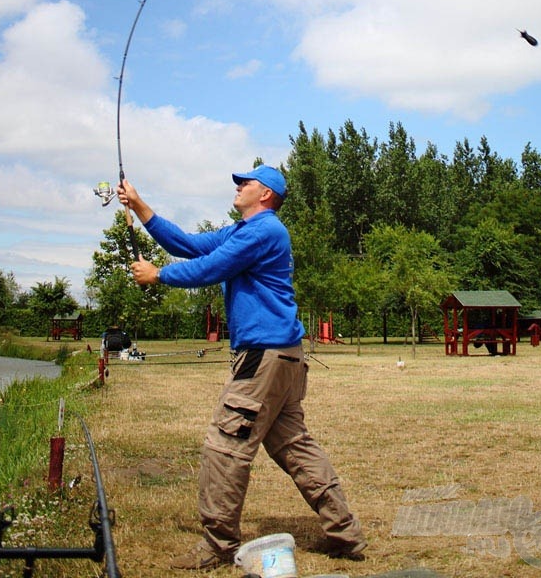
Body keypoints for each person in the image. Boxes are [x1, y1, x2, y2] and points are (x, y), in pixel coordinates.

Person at [117, 165, 366, 570]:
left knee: (226, 446)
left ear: (265, 194)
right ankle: (345, 532)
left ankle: (218, 544)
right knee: (294, 446)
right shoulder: (240, 232)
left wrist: (158, 275)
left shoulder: (265, 232)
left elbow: (210, 269)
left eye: (245, 182)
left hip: (263, 358)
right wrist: (141, 205)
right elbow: (188, 244)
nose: (238, 187)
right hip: (282, 357)